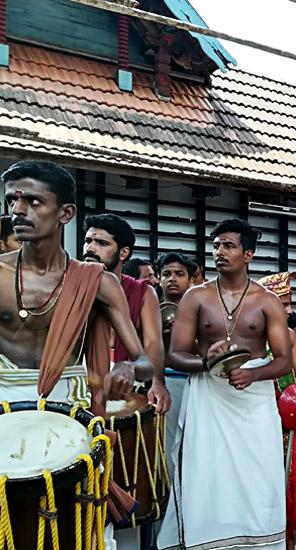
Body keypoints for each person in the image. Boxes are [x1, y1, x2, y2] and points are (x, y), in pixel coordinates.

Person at [0, 160, 155, 547]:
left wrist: (124, 365)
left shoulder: (97, 282)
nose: (18, 211)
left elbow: (145, 361)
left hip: (69, 412)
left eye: (34, 201)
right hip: (2, 408)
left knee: (71, 528)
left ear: (66, 212)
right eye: (12, 201)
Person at [157, 218, 292, 550]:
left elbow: (284, 360)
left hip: (254, 400)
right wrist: (206, 362)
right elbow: (175, 354)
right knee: (206, 473)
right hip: (208, 396)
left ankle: (258, 541)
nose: (219, 252)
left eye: (228, 245)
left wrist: (252, 374)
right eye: (216, 245)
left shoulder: (266, 301)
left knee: (259, 473)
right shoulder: (196, 297)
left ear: (248, 254)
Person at [82, 213, 167, 405]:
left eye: (102, 243)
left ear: (123, 253)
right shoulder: (69, 286)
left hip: (125, 389)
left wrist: (157, 382)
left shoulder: (142, 292)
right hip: (77, 389)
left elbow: (153, 343)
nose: (91, 248)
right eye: (88, 241)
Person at [259, 271, 296, 550]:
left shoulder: (290, 334)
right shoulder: (252, 336)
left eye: (290, 302)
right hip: (263, 418)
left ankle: (290, 539)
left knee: (293, 480)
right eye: (283, 302)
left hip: (290, 418)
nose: (289, 309)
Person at [154, 251, 197, 503]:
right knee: (164, 450)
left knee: (192, 448)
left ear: (190, 279)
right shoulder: (148, 310)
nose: (172, 279)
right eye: (166, 274)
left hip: (194, 384)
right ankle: (168, 503)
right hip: (164, 384)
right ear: (159, 279)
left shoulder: (201, 309)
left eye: (179, 274)